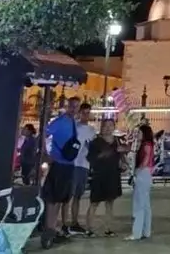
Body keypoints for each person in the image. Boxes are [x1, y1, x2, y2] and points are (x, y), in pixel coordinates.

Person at [41, 96, 82, 249]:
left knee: (59, 199)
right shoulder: (60, 121)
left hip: (67, 165)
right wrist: (46, 153)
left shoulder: (72, 122)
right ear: (68, 106)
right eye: (72, 106)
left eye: (77, 106)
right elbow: (44, 133)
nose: (74, 109)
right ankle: (49, 231)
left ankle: (53, 229)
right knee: (53, 199)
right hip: (59, 164)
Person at [86, 119, 125, 237]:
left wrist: (122, 163)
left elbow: (121, 157)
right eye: (105, 126)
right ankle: (89, 229)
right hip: (99, 175)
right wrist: (102, 156)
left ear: (114, 127)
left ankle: (108, 228)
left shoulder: (117, 141)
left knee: (110, 203)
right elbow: (90, 158)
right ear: (101, 127)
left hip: (113, 175)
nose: (108, 128)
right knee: (94, 202)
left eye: (110, 126)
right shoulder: (95, 142)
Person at [67, 103, 98, 236]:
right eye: (84, 113)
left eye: (88, 113)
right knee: (69, 195)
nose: (86, 115)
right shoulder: (74, 126)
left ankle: (74, 222)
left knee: (78, 196)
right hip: (73, 163)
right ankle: (65, 222)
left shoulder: (92, 130)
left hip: (84, 165)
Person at [126, 124, 155, 241]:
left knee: (138, 205)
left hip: (142, 173)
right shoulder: (150, 144)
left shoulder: (146, 145)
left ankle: (136, 233)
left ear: (144, 133)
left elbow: (146, 159)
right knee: (145, 205)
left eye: (139, 132)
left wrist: (137, 173)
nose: (137, 134)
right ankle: (146, 231)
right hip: (146, 174)